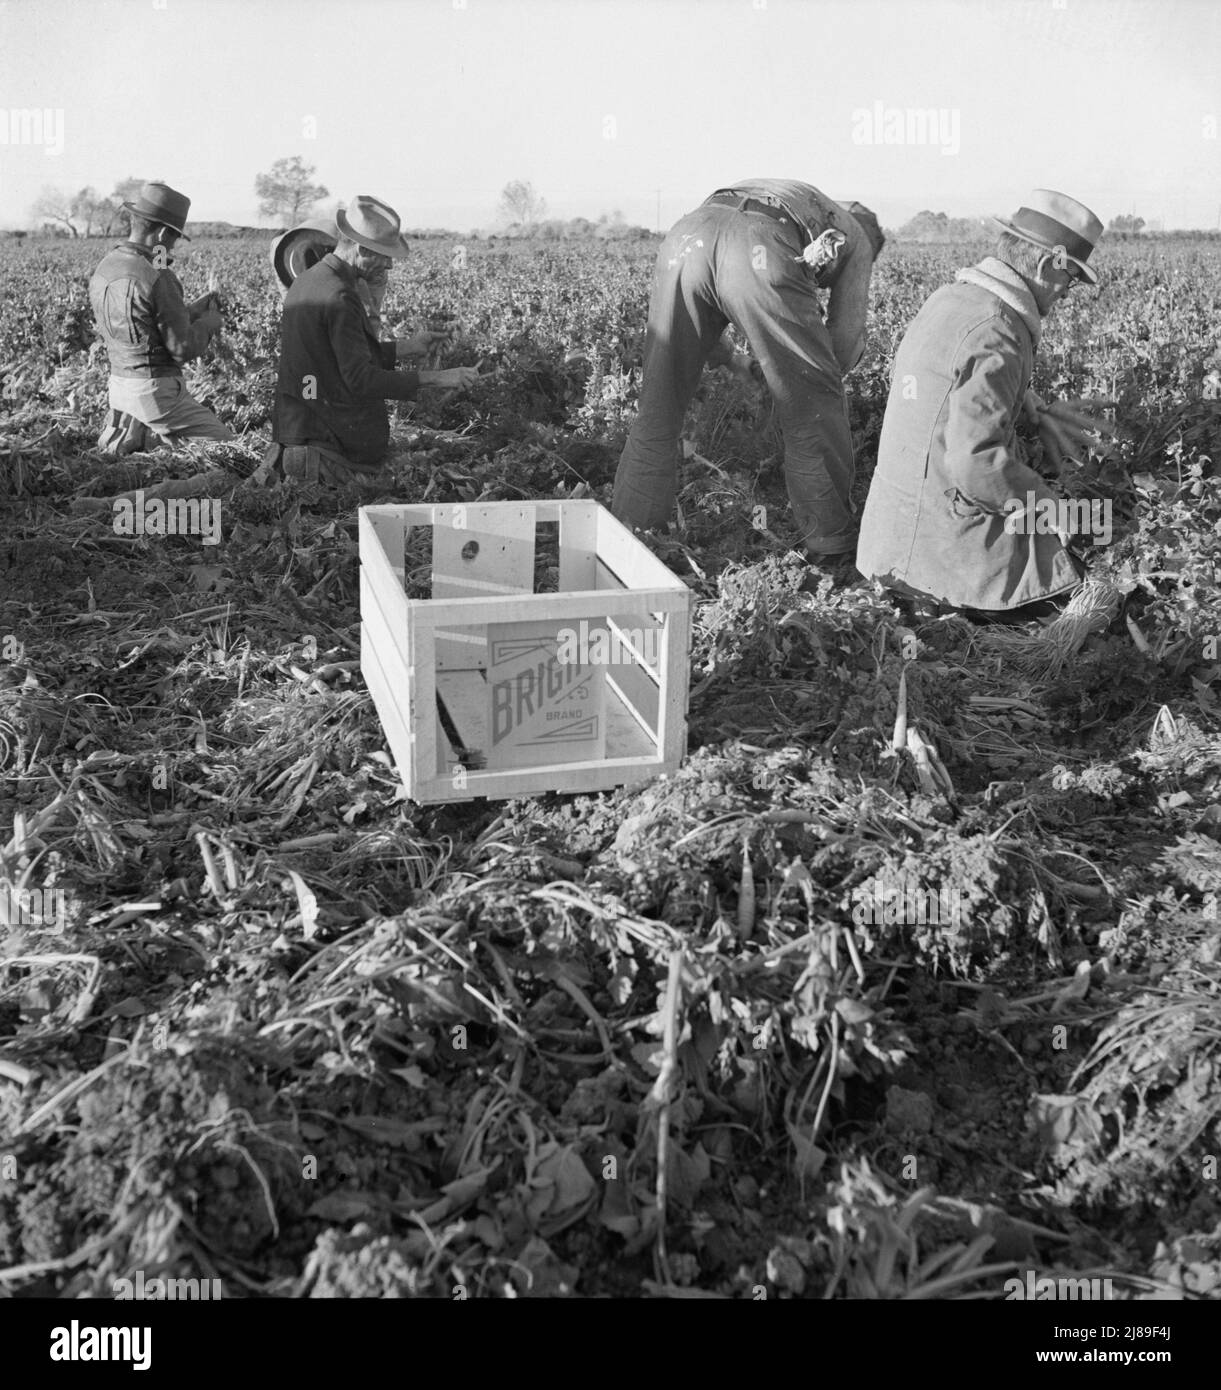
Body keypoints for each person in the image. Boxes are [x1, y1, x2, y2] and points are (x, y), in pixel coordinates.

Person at [856, 189, 1108, 621]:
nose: (1069, 292)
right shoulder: (999, 333)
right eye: (1071, 278)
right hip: (939, 555)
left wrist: (1026, 402)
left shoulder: (953, 299)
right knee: (1086, 581)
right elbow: (976, 464)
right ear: (1051, 265)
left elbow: (945, 380)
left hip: (886, 544)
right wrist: (1049, 507)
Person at [610, 179, 885, 567]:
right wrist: (796, 378)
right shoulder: (858, 239)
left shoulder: (807, 201)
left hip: (688, 237)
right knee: (813, 414)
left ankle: (628, 545)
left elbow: (703, 319)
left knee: (658, 412)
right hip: (759, 246)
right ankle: (829, 548)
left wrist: (740, 362)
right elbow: (840, 348)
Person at [263, 195, 478, 487]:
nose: (388, 266)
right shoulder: (339, 296)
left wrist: (412, 346)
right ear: (361, 248)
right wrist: (439, 379)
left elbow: (335, 359)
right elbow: (360, 379)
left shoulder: (309, 279)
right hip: (323, 448)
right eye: (384, 255)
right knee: (412, 482)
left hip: (299, 435)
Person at [88, 181, 233, 457]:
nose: (174, 247)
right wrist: (209, 323)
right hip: (155, 395)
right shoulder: (158, 275)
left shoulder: (107, 265)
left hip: (119, 388)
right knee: (228, 450)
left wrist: (192, 310)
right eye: (175, 239)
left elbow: (144, 323)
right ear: (164, 233)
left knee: (158, 459)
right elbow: (182, 349)